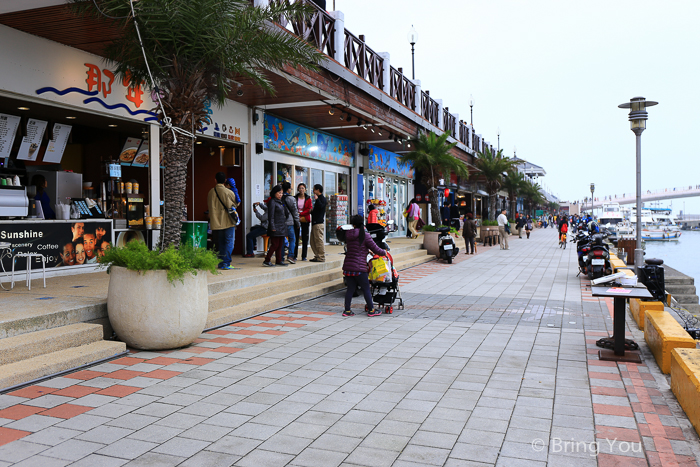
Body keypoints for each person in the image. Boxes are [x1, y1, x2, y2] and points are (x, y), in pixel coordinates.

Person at [341, 214, 386, 317]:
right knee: (366, 288)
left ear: (353, 224)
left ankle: (347, 310)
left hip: (348, 266)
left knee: (350, 289)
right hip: (359, 267)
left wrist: (366, 250)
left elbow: (356, 247)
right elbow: (376, 248)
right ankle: (371, 310)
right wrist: (384, 252)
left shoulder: (348, 234)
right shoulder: (365, 235)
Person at [207, 172, 239, 270]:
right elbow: (234, 205)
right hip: (228, 222)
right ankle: (226, 263)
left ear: (215, 180)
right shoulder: (229, 192)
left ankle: (221, 263)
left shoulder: (211, 192)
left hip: (216, 223)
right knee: (229, 242)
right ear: (225, 181)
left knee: (219, 243)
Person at [263, 185, 289, 267]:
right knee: (275, 245)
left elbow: (285, 213)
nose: (280, 195)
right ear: (274, 193)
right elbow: (271, 216)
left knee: (280, 245)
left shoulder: (281, 202)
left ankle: (279, 260)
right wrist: (272, 226)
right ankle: (267, 260)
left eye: (281, 193)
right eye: (279, 193)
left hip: (282, 227)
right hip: (275, 227)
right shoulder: (272, 202)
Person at [281, 182, 300, 264]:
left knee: (281, 239)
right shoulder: (291, 199)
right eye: (290, 188)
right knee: (292, 239)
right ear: (288, 189)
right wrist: (298, 223)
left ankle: (281, 256)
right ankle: (290, 255)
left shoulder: (279, 197)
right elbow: (295, 212)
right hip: (289, 222)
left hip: (280, 223)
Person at [309, 184, 327, 262]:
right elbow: (317, 211)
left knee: (319, 241)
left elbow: (321, 207)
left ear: (318, 190)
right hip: (315, 223)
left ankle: (321, 257)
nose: (313, 191)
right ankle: (317, 255)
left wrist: (317, 199)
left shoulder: (322, 199)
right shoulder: (319, 199)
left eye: (314, 189)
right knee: (313, 241)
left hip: (318, 224)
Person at [295, 183, 312, 261]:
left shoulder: (308, 198)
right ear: (298, 189)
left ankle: (304, 256)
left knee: (305, 238)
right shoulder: (295, 198)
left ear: (305, 189)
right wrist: (297, 215)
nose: (301, 189)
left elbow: (309, 209)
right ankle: (294, 255)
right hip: (297, 219)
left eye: (303, 188)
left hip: (305, 219)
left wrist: (301, 213)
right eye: (300, 188)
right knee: (296, 237)